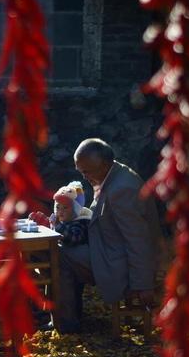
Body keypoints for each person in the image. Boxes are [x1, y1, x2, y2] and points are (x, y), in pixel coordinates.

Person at [35, 138, 163, 333]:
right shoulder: (115, 175)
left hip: (117, 263)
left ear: (103, 164)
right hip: (107, 250)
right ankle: (67, 317)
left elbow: (138, 239)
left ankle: (66, 323)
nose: (85, 177)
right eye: (81, 172)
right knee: (60, 251)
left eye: (86, 172)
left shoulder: (122, 189)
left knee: (59, 257)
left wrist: (143, 284)